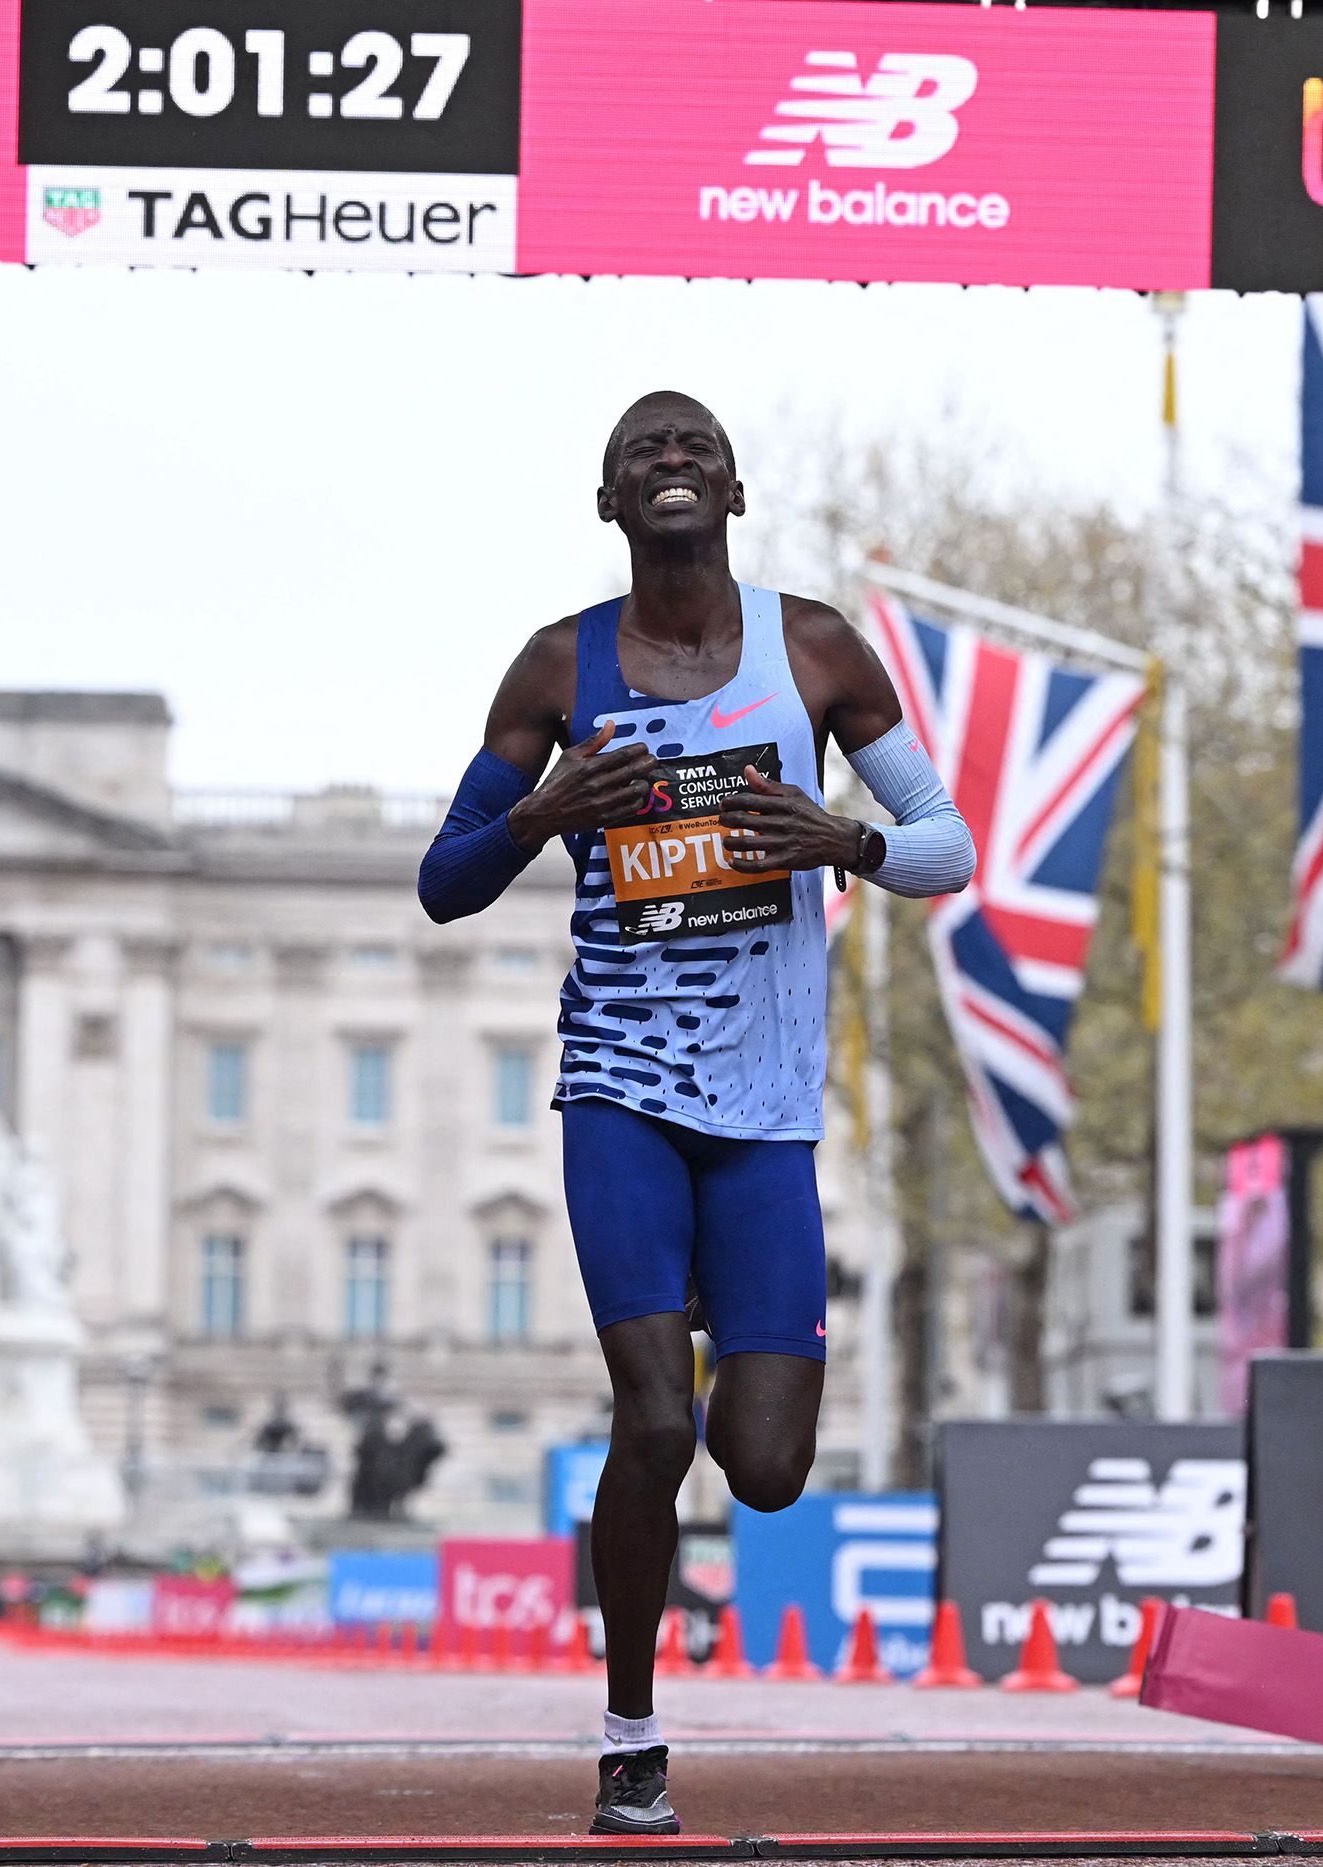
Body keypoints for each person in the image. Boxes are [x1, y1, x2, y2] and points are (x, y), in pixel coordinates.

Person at [417, 391, 974, 1836]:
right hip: (621, 1087)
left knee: (770, 1471)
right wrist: (550, 811)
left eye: (692, 450)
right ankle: (630, 1733)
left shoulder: (815, 652)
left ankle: (739, 1332)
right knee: (654, 1421)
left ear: (733, 489)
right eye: (639, 456)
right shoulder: (558, 668)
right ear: (610, 506)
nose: (669, 463)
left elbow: (947, 849)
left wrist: (841, 837)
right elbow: (444, 879)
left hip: (770, 1107)